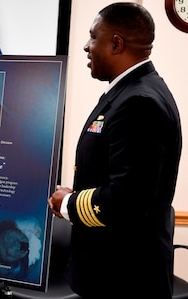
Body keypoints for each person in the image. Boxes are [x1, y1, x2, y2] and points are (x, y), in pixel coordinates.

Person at [48, 3, 182, 299]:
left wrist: (69, 203)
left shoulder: (140, 103)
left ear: (116, 43)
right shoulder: (133, 92)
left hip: (124, 281)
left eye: (93, 37)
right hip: (113, 275)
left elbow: (127, 201)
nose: (86, 46)